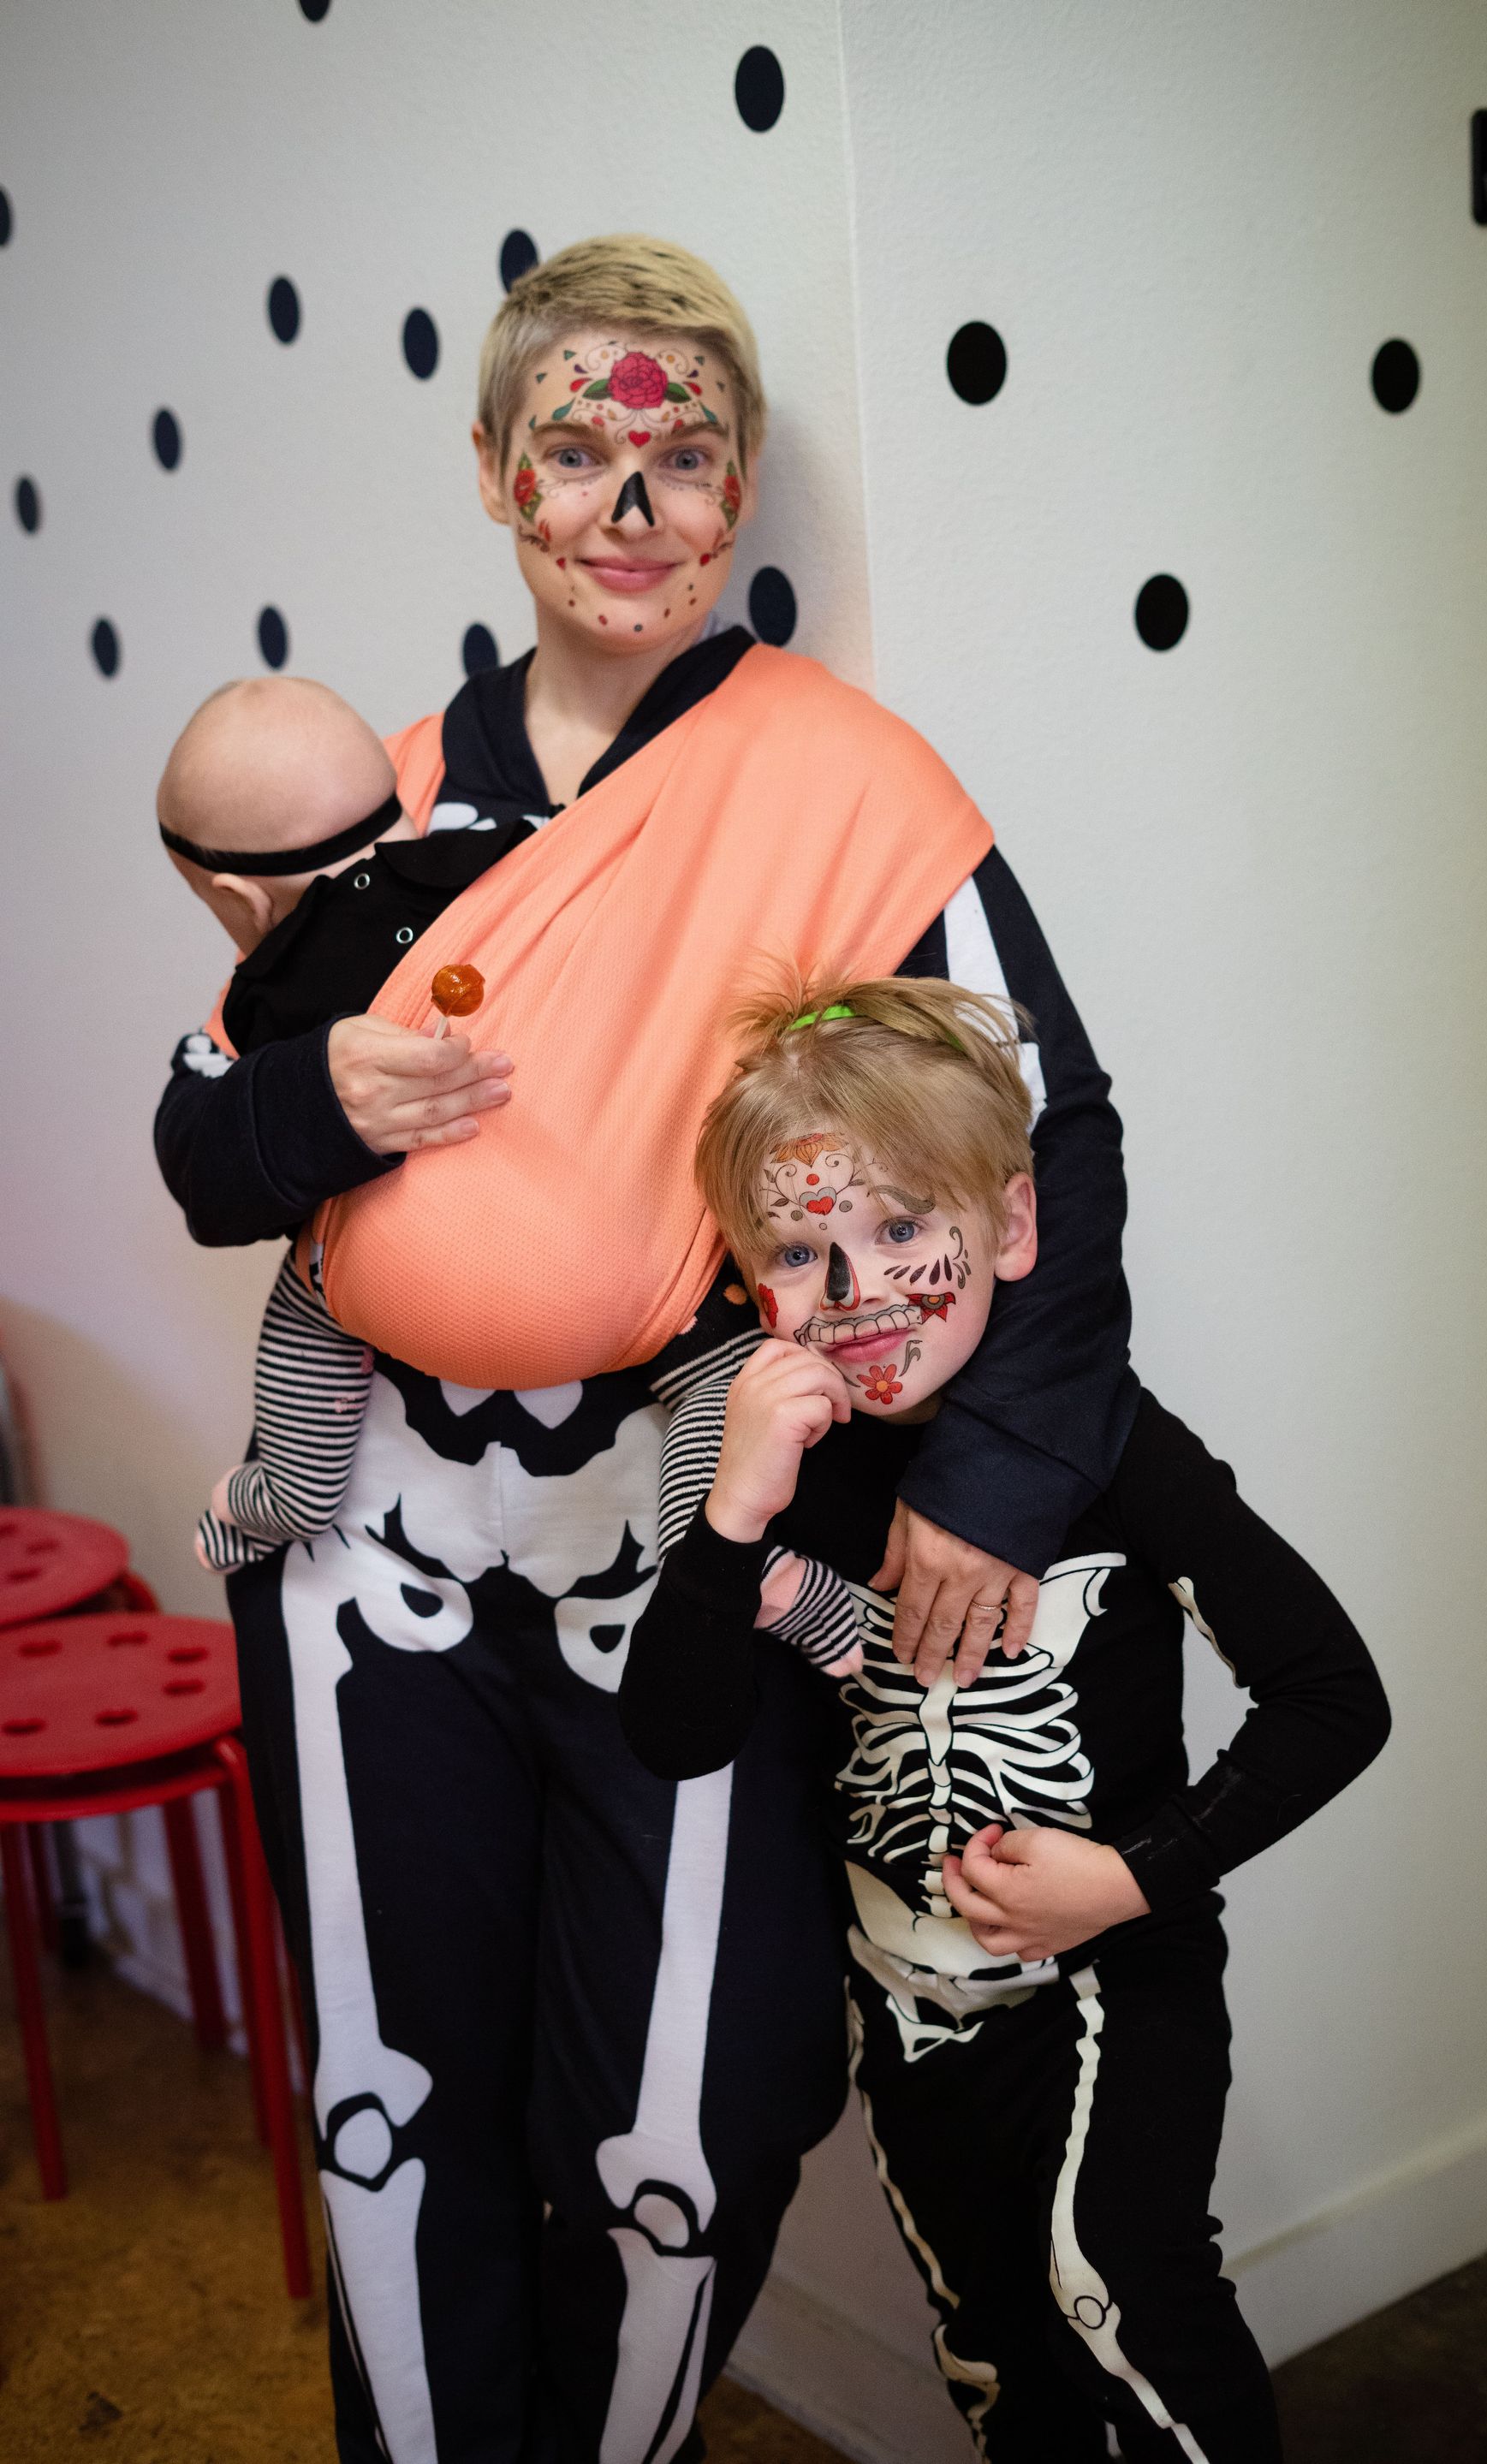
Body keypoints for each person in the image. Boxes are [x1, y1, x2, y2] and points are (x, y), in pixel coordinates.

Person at [152, 234, 1135, 2464]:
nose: (626, 504)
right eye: (576, 449)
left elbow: (1040, 1129)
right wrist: (330, 1089)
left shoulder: (849, 781)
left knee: (687, 2114)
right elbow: (212, 1144)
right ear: (495, 473)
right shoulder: (384, 801)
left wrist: (996, 1478)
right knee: (397, 2093)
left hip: (666, 1519)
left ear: (745, 482)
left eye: (676, 457)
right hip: (373, 1536)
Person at [620, 976, 1391, 2463]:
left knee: (1119, 2296)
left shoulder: (1108, 1445)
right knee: (994, 2344)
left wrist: (1133, 1870)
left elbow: (1332, 1695)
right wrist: (727, 1514)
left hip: (1113, 1971)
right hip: (906, 2007)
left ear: (1016, 1227)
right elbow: (673, 1728)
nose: (855, 1287)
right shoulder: (778, 1469)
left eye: (906, 1226)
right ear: (747, 1280)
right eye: (799, 1249)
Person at [157, 674, 859, 1667]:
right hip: (674, 1289)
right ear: (404, 802)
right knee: (718, 1489)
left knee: (306, 1405)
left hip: (358, 1291)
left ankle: (269, 1498)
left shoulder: (267, 983)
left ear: (233, 899)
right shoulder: (519, 859)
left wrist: (296, 1092)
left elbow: (197, 1141)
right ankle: (782, 1584)